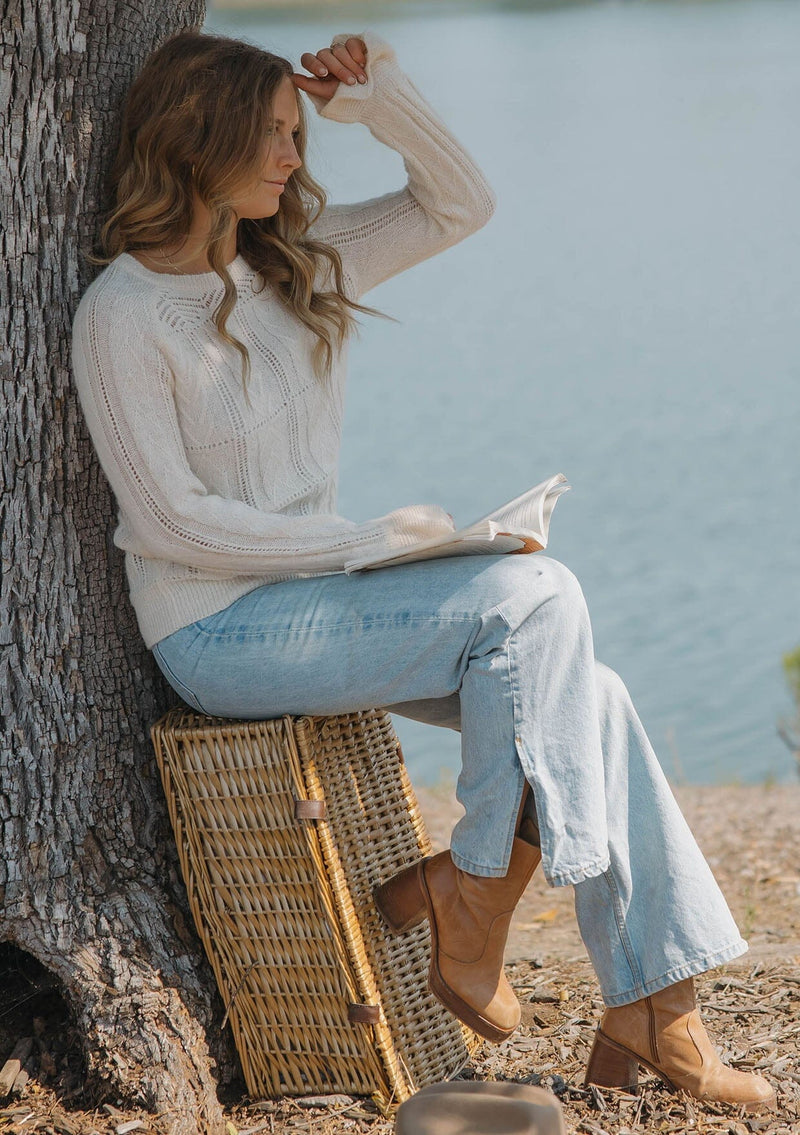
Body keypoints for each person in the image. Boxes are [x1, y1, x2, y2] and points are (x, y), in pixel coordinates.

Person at [70, 26, 776, 1112]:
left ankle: (642, 1000)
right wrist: (370, 544)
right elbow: (175, 523)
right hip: (218, 631)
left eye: (296, 132)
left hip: (323, 603)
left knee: (591, 691)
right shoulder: (122, 313)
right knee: (535, 596)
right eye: (269, 134)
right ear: (194, 138)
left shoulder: (295, 263)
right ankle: (486, 900)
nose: (292, 157)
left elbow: (460, 202)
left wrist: (378, 97)